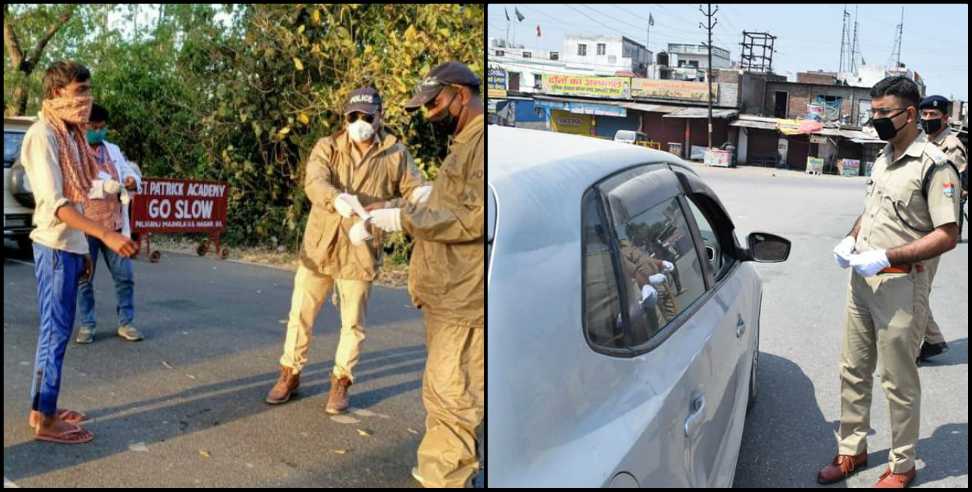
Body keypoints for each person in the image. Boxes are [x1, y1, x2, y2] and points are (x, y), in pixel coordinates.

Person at [824, 76, 961, 488]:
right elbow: (875, 211)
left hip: (901, 284)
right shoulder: (884, 158)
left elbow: (947, 234)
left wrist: (887, 256)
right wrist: (852, 238)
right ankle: (852, 448)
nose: (877, 119)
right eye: (875, 112)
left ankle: (902, 466)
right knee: (852, 368)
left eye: (884, 112)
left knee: (898, 380)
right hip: (862, 282)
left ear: (911, 114)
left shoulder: (934, 164)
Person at [264, 87, 428, 415]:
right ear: (345, 117)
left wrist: (384, 206)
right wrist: (336, 198)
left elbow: (417, 195)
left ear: (380, 117)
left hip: (361, 246)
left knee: (352, 323)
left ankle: (341, 381)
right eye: (353, 116)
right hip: (320, 245)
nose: (360, 122)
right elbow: (314, 181)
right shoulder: (328, 146)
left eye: (367, 117)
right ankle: (290, 373)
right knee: (300, 315)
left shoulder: (396, 154)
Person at [368, 61, 484, 488]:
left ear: (461, 94)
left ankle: (445, 479)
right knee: (448, 394)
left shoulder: (480, 144)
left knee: (453, 399)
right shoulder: (464, 142)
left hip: (464, 299)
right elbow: (453, 202)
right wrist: (413, 203)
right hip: (447, 293)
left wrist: (406, 218)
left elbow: (477, 215)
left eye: (435, 103)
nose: (430, 113)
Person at [21, 60, 138, 444]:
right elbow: (58, 205)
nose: (87, 101)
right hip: (54, 246)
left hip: (70, 246)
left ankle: (43, 409)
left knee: (57, 331)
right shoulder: (44, 136)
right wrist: (105, 235)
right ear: (56, 94)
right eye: (79, 92)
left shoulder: (71, 135)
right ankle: (45, 419)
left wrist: (84, 248)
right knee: (54, 334)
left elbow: (82, 195)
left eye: (89, 91)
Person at [75, 103, 144, 344]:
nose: (100, 132)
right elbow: (78, 186)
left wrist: (131, 180)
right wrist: (104, 186)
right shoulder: (75, 151)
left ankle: (126, 322)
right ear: (85, 126)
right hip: (87, 226)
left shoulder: (112, 149)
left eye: (103, 128)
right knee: (85, 279)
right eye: (95, 127)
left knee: (125, 276)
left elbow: (132, 174)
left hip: (114, 225)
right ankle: (87, 325)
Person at [912, 95, 967, 361]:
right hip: (919, 223)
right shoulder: (925, 141)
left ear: (945, 118)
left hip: (936, 227)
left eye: (933, 116)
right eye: (924, 115)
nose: (927, 120)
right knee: (914, 285)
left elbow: (949, 185)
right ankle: (932, 339)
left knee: (917, 287)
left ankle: (917, 347)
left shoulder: (952, 146)